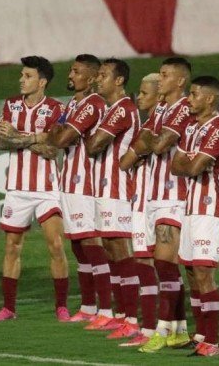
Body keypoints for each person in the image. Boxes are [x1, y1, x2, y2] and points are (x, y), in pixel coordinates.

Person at [0, 55, 70, 322]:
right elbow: (1, 143)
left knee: (56, 245)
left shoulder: (57, 109)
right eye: (22, 75)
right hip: (17, 189)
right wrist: (30, 138)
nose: (21, 80)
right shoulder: (11, 104)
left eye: (28, 76)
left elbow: (52, 149)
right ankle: (8, 308)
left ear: (42, 81)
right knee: (12, 247)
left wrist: (18, 137)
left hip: (47, 188)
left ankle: (61, 306)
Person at [128, 57, 196, 353]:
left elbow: (155, 145)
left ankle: (161, 328)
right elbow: (141, 142)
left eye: (166, 75)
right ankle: (179, 330)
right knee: (165, 267)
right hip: (155, 198)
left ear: (180, 81)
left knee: (165, 264)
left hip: (174, 198)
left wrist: (150, 139)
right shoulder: (163, 111)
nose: (161, 80)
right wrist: (149, 138)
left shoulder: (183, 109)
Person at [47, 54, 113, 328]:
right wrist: (56, 134)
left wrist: (57, 134)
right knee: (78, 246)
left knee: (91, 244)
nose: (71, 75)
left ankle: (107, 311)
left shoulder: (93, 104)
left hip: (86, 183)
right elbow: (55, 136)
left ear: (91, 77)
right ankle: (88, 306)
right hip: (69, 182)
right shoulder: (73, 103)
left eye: (76, 71)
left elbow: (59, 138)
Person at [171, 76, 219, 357]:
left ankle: (213, 341)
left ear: (209, 99)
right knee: (191, 272)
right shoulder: (193, 128)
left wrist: (190, 163)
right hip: (191, 209)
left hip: (212, 209)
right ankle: (200, 335)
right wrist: (189, 163)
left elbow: (194, 167)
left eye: (194, 94)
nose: (188, 99)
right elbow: (176, 165)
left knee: (204, 274)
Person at [85, 58, 140, 340]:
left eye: (104, 75)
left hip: (118, 190)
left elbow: (94, 145)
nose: (98, 80)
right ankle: (120, 315)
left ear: (119, 81)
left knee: (121, 250)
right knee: (110, 250)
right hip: (103, 189)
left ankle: (132, 317)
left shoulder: (124, 109)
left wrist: (80, 129)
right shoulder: (110, 110)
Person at [117, 73, 160, 347]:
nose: (139, 97)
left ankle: (162, 328)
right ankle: (149, 328)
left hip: (158, 202)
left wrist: (139, 151)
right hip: (140, 201)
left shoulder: (162, 123)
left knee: (162, 267)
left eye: (145, 93)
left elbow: (130, 157)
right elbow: (125, 161)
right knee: (143, 262)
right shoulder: (148, 124)